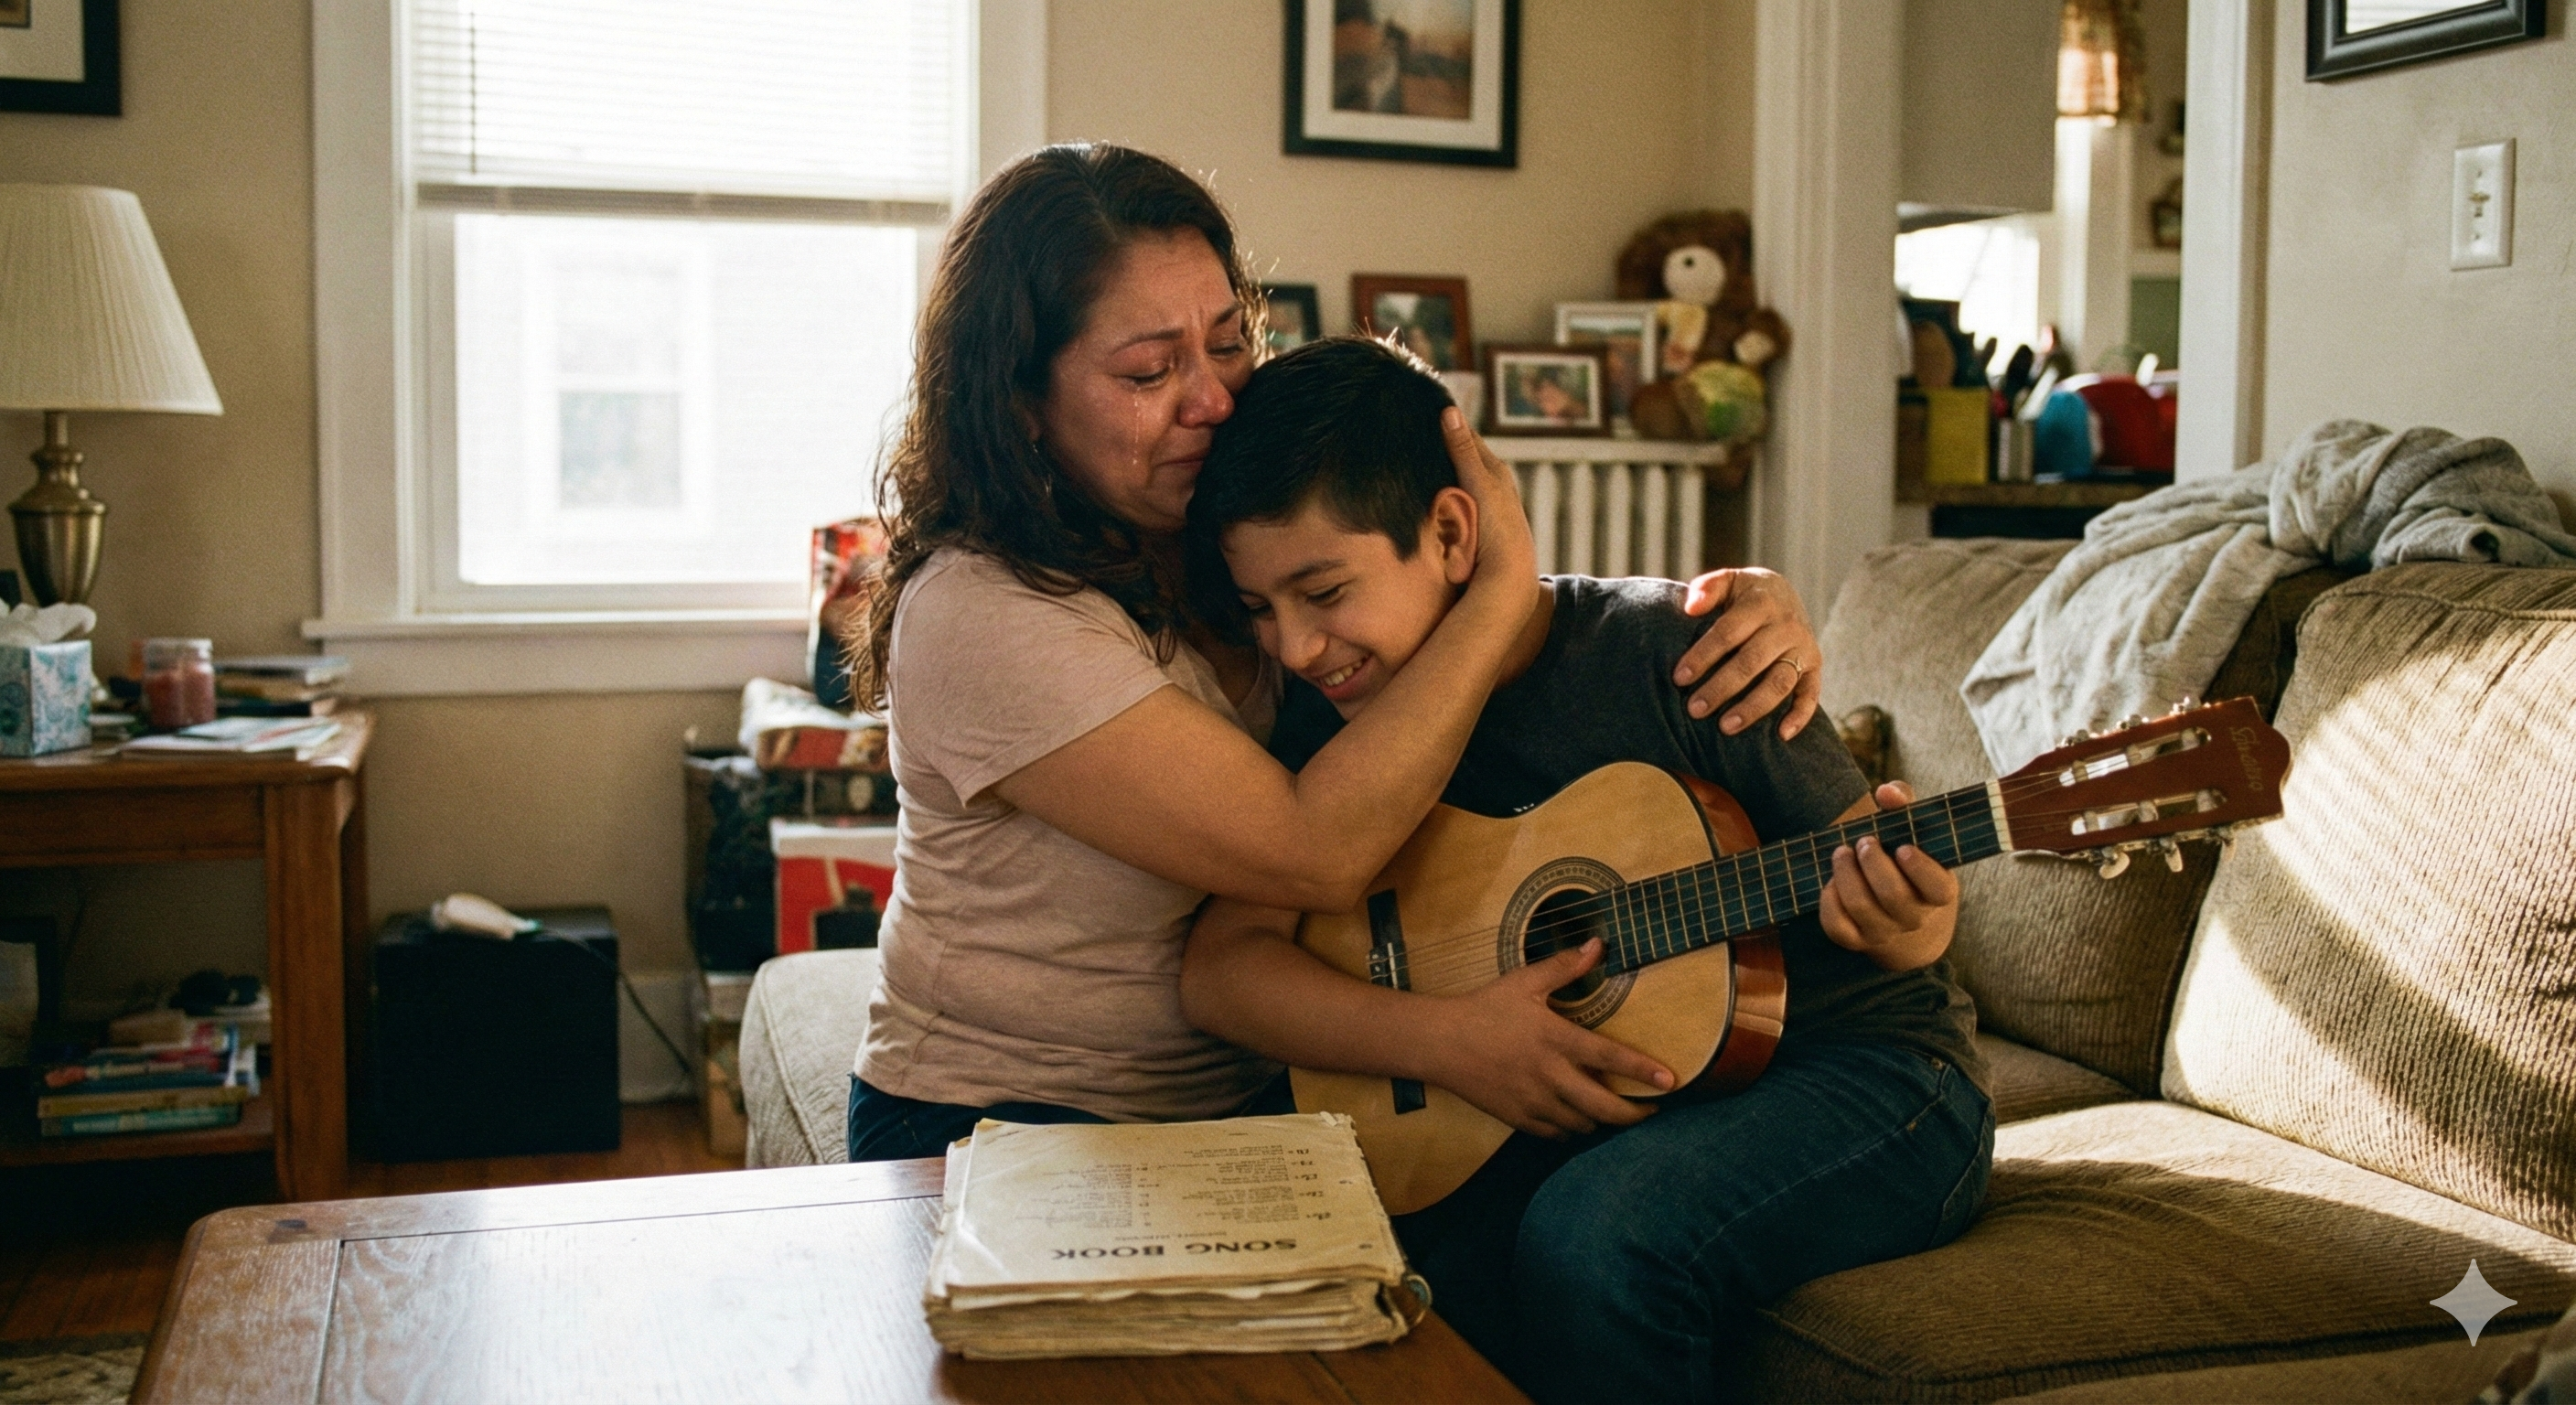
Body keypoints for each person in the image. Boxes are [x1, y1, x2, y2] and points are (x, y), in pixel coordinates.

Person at [840, 143, 1828, 1164]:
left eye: (1227, 341)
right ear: (1019, 404)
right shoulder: (978, 610)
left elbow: (1452, 627)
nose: (1213, 400)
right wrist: (1500, 586)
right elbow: (1313, 849)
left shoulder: (1222, 539)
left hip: (1270, 1096)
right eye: (1147, 370)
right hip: (999, 1117)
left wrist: (1727, 607)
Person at [1177, 337, 1993, 1404]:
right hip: (1636, 1099)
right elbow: (1222, 967)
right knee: (1374, 1258)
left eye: (1322, 591)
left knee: (1591, 1234)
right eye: (1257, 610)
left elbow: (1894, 904)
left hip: (1870, 1075)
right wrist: (1451, 1044)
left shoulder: (1679, 653)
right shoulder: (1336, 730)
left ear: (1451, 533)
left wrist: (1909, 917)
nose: (1293, 648)